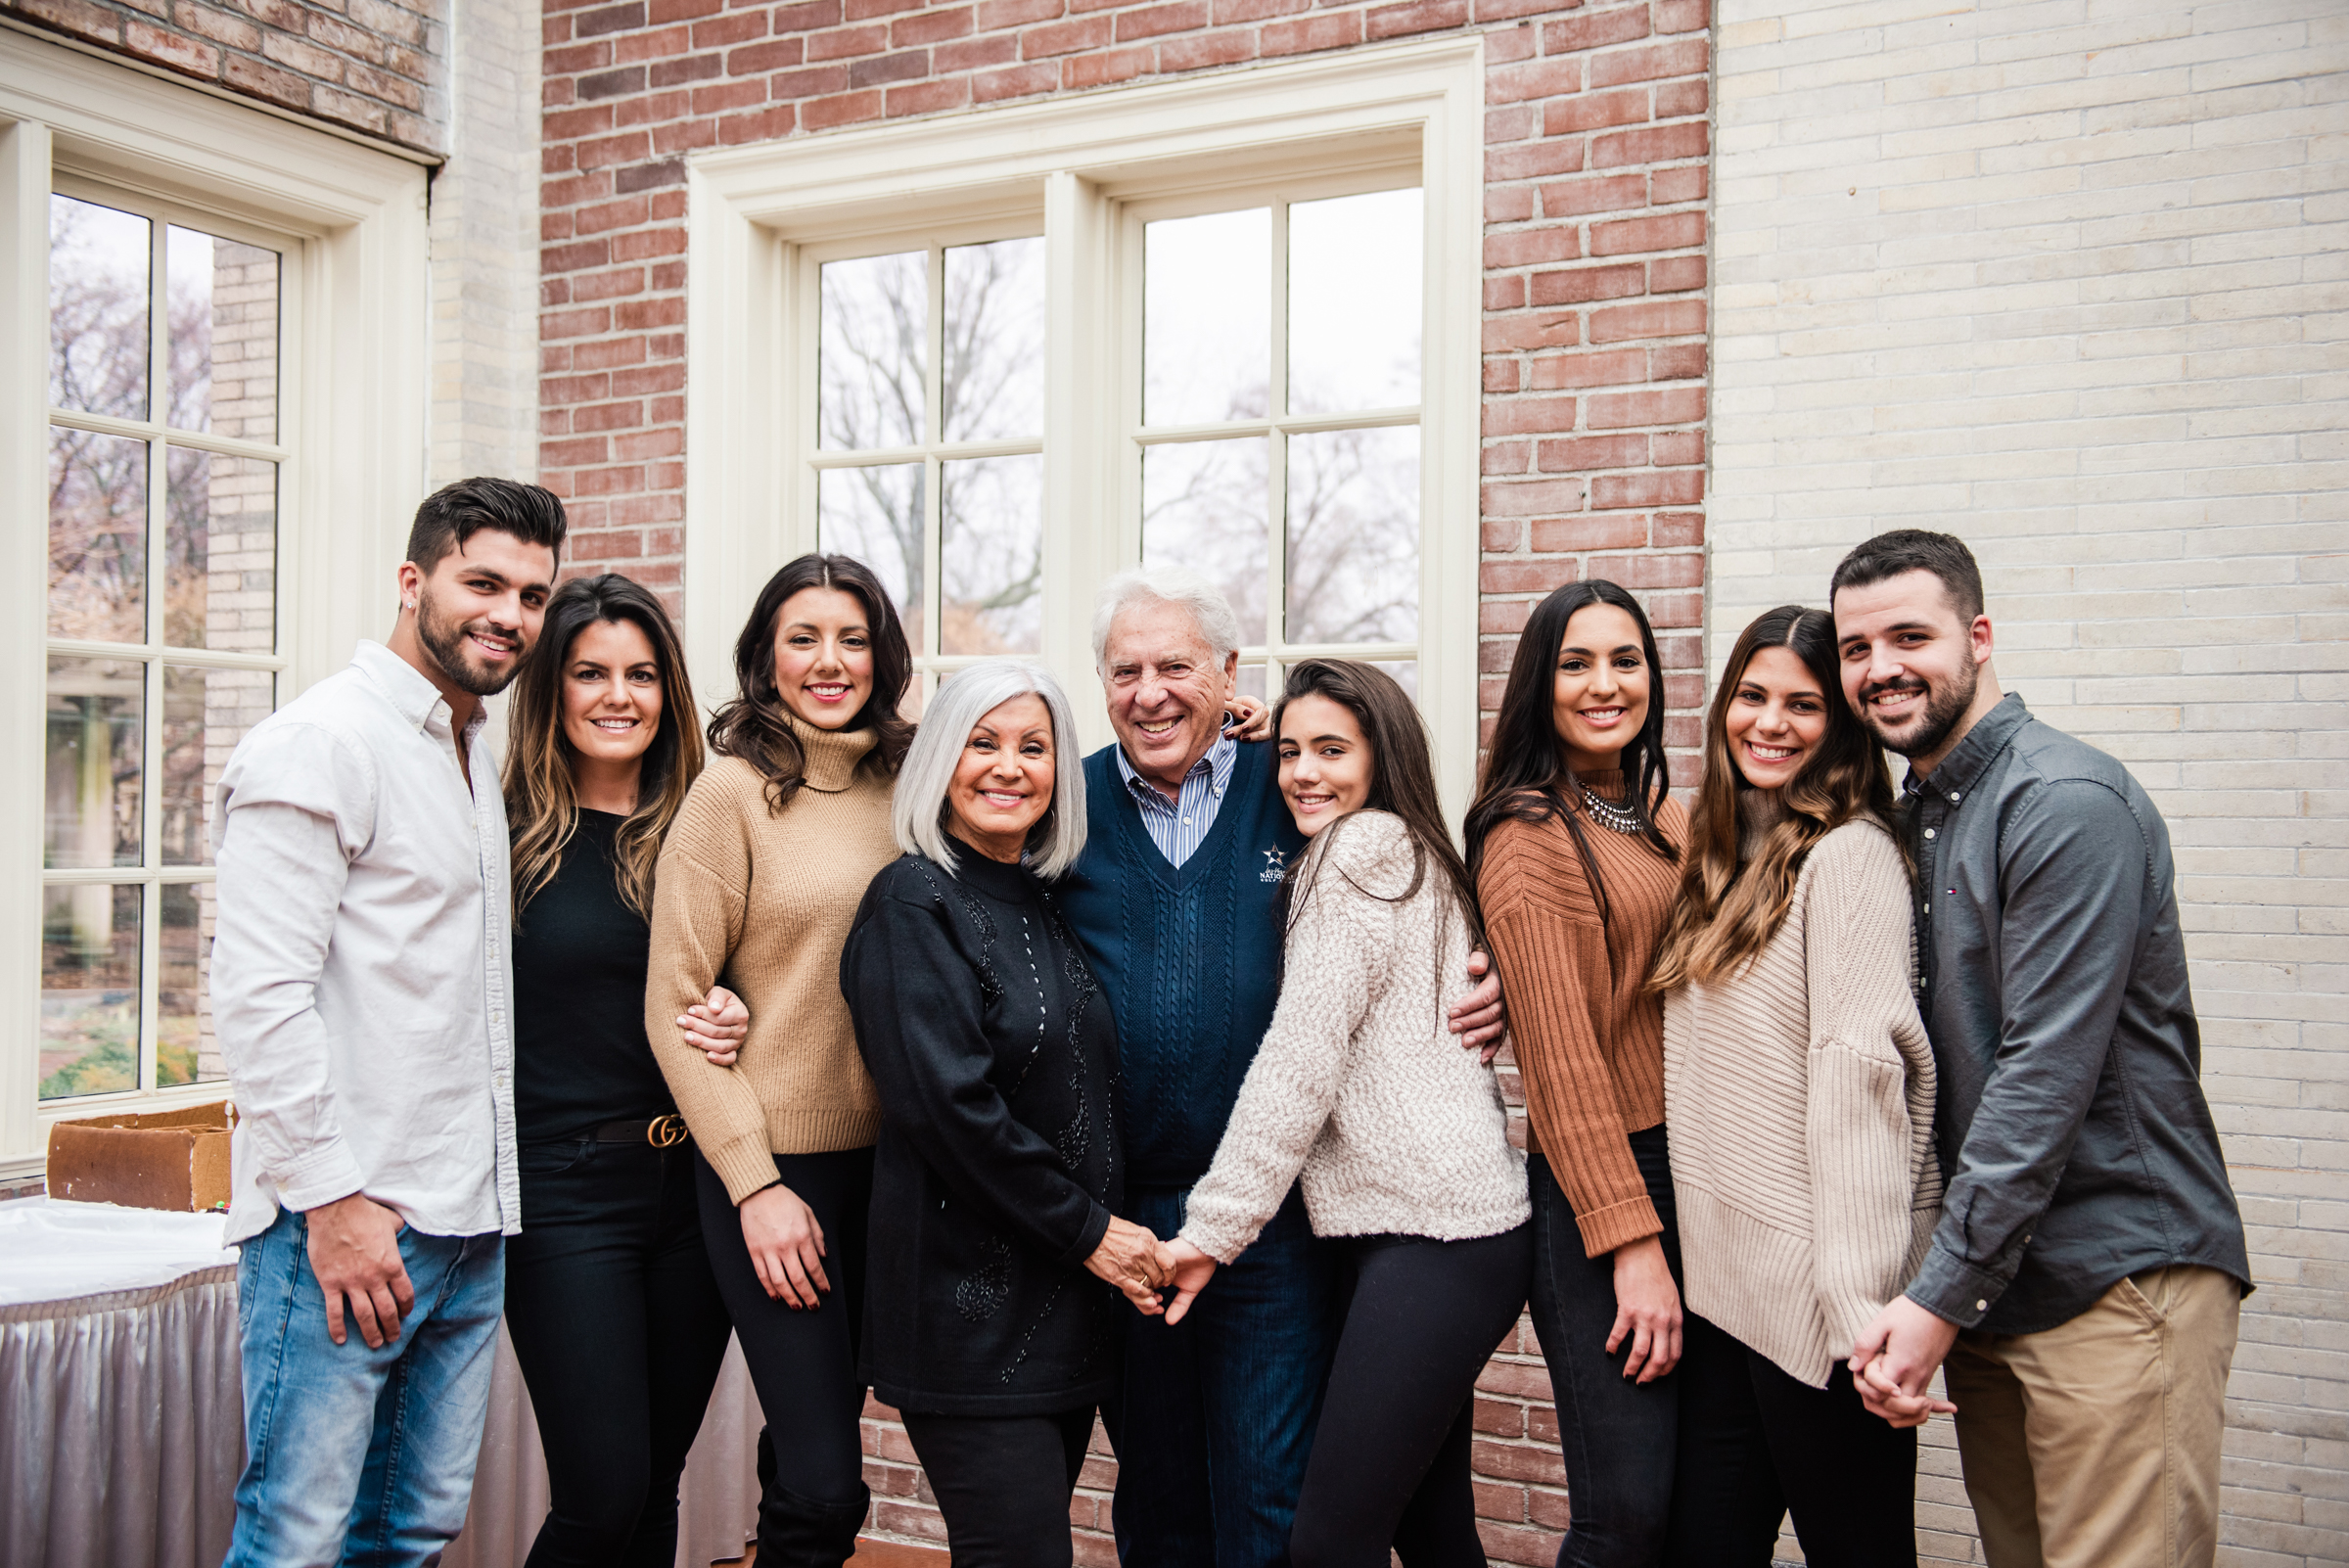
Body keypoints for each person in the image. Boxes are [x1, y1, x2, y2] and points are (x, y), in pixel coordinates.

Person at [1055, 566, 1507, 1567]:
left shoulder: (1293, 787)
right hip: (1128, 1216)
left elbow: (1412, 921)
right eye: (1124, 670)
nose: (1150, 691)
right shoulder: (1066, 803)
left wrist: (1496, 982)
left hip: (1276, 1224)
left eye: (1176, 665)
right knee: (1161, 1502)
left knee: (1272, 1496)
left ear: (1227, 671)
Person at [1833, 530, 2251, 1568]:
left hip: (2115, 1280)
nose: (1880, 667)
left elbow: (2043, 1074)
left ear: (1977, 638)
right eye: (1856, 647)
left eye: (1910, 636)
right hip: (1996, 1288)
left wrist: (1934, 1297)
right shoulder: (1916, 817)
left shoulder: (2062, 802)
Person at [211, 478, 565, 1566]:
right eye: (485, 582)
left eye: (534, 596)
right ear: (414, 583)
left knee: (411, 1534)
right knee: (297, 1541)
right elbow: (258, 997)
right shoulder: (321, 742)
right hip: (343, 1226)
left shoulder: (476, 751)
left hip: (466, 1225)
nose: (510, 614)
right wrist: (333, 1205)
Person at [1160, 659, 1531, 1568]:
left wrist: (1211, 1230)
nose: (1302, 773)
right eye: (1288, 753)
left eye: (1332, 750)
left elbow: (1301, 1059)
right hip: (1437, 1232)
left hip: (1433, 1235)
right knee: (1430, 1525)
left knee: (1329, 1542)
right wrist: (1248, 723)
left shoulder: (1356, 851)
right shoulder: (1409, 846)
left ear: (1381, 754)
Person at [842, 660, 1173, 1568]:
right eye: (983, 743)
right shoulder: (913, 900)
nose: (1009, 766)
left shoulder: (1039, 896)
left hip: (1063, 1303)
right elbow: (949, 1111)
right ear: (941, 759)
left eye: (1034, 747)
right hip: (966, 1315)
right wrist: (1093, 1233)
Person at [1648, 606, 1941, 1567]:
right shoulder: (1722, 856)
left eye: (1803, 705)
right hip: (1728, 1298)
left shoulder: (1848, 857)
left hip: (1822, 1316)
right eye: (1752, 695)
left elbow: (1863, 1087)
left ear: (1844, 724)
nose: (1769, 722)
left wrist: (1863, 1317)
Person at [643, 553, 912, 1567]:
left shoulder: (916, 780)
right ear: (766, 657)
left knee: (810, 1457)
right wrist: (754, 1183)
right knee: (828, 1478)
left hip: (890, 1170)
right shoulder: (732, 794)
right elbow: (675, 1005)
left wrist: (1240, 732)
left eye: (853, 638)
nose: (830, 661)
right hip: (775, 1171)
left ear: (884, 657)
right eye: (804, 638)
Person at [501, 573, 759, 1567]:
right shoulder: (505, 835)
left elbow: (762, 960)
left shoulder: (705, 825)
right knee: (602, 1493)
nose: (619, 695)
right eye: (590, 672)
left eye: (642, 673)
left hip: (695, 1192)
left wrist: (742, 1002)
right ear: (552, 690)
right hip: (566, 1194)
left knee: (656, 1488)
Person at [1465, 578, 1687, 1568]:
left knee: (1688, 1502)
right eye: (1577, 662)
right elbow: (1565, 1070)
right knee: (1625, 1511)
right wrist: (1632, 1245)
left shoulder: (1655, 816)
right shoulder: (1529, 837)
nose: (1606, 684)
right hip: (1607, 1190)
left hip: (1694, 1176)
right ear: (1537, 686)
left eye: (1626, 659)